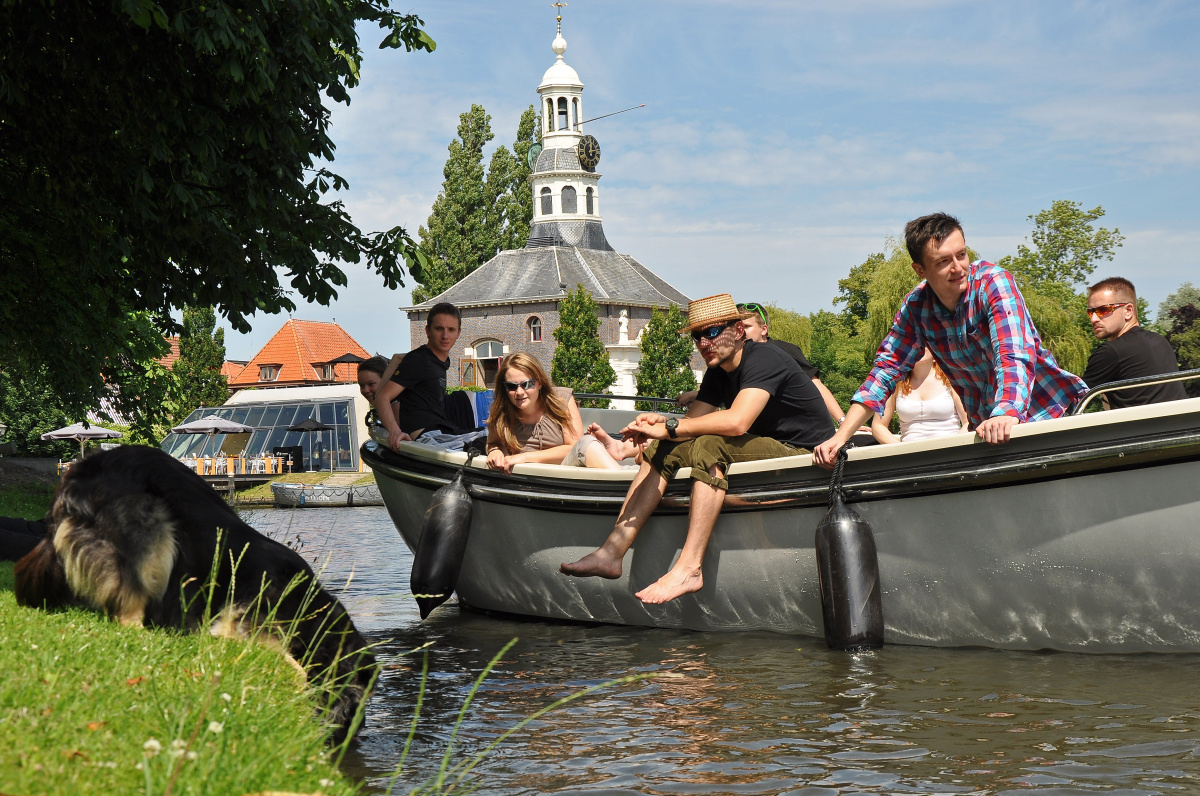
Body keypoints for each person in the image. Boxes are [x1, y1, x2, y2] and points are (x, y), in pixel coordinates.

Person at [561, 294, 835, 604]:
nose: (704, 342)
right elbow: (689, 426)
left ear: (739, 331)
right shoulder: (718, 373)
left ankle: (690, 568)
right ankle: (611, 552)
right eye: (697, 335)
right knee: (667, 446)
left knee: (709, 445)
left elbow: (736, 423)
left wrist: (670, 427)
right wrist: (661, 424)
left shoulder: (766, 358)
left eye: (713, 332)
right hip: (767, 450)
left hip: (807, 456)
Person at [814, 212, 1087, 468]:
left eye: (962, 255)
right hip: (992, 431)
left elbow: (1012, 352)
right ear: (920, 270)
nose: (958, 268)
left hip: (1048, 415)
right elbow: (884, 371)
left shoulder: (994, 283)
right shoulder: (916, 307)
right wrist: (841, 437)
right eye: (943, 261)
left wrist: (1006, 411)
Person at [675, 302, 846, 426]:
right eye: (697, 337)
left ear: (763, 329)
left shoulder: (777, 352)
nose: (704, 342)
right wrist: (697, 395)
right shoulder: (724, 364)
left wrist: (842, 421)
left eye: (747, 326)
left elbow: (815, 385)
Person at [485, 353, 630, 472]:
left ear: (540, 383)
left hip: (565, 473)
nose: (519, 392)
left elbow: (575, 447)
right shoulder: (501, 413)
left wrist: (523, 457)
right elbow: (493, 443)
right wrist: (495, 451)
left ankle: (622, 486)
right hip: (525, 481)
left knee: (587, 442)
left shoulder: (561, 400)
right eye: (511, 386)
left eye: (527, 384)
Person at [1082, 276, 1187, 408]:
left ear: (1128, 311)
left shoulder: (1111, 351)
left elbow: (1071, 400)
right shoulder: (1161, 341)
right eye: (1091, 312)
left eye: (1103, 310)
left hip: (1141, 428)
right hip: (1184, 426)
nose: (1094, 319)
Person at [373, 302, 466, 451]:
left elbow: (402, 358)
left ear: (458, 333)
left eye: (451, 329)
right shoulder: (420, 360)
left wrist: (398, 358)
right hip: (428, 436)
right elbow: (381, 397)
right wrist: (395, 432)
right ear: (428, 331)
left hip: (441, 429)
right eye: (439, 329)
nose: (445, 336)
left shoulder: (438, 360)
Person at [870, 348, 969, 443]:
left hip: (950, 451)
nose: (919, 346)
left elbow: (968, 422)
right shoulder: (895, 383)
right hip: (910, 455)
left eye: (924, 342)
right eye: (915, 343)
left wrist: (953, 445)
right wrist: (901, 449)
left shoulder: (951, 379)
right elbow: (878, 426)